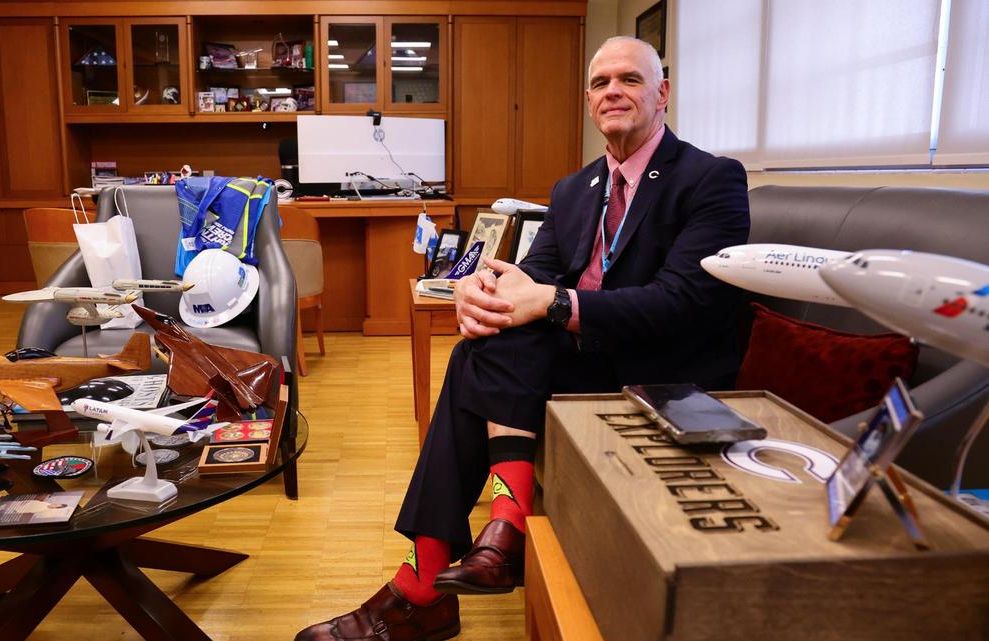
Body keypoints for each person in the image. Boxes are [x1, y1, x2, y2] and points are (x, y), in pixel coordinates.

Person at [294, 36, 750, 641]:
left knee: (480, 357)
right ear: (590, 101)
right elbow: (535, 271)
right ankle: (494, 539)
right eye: (599, 82)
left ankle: (426, 584)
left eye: (630, 80)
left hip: (659, 367)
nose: (612, 90)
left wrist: (556, 303)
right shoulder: (573, 189)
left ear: (662, 93)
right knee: (485, 342)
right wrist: (481, 289)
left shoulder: (711, 179)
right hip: (580, 356)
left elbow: (683, 304)